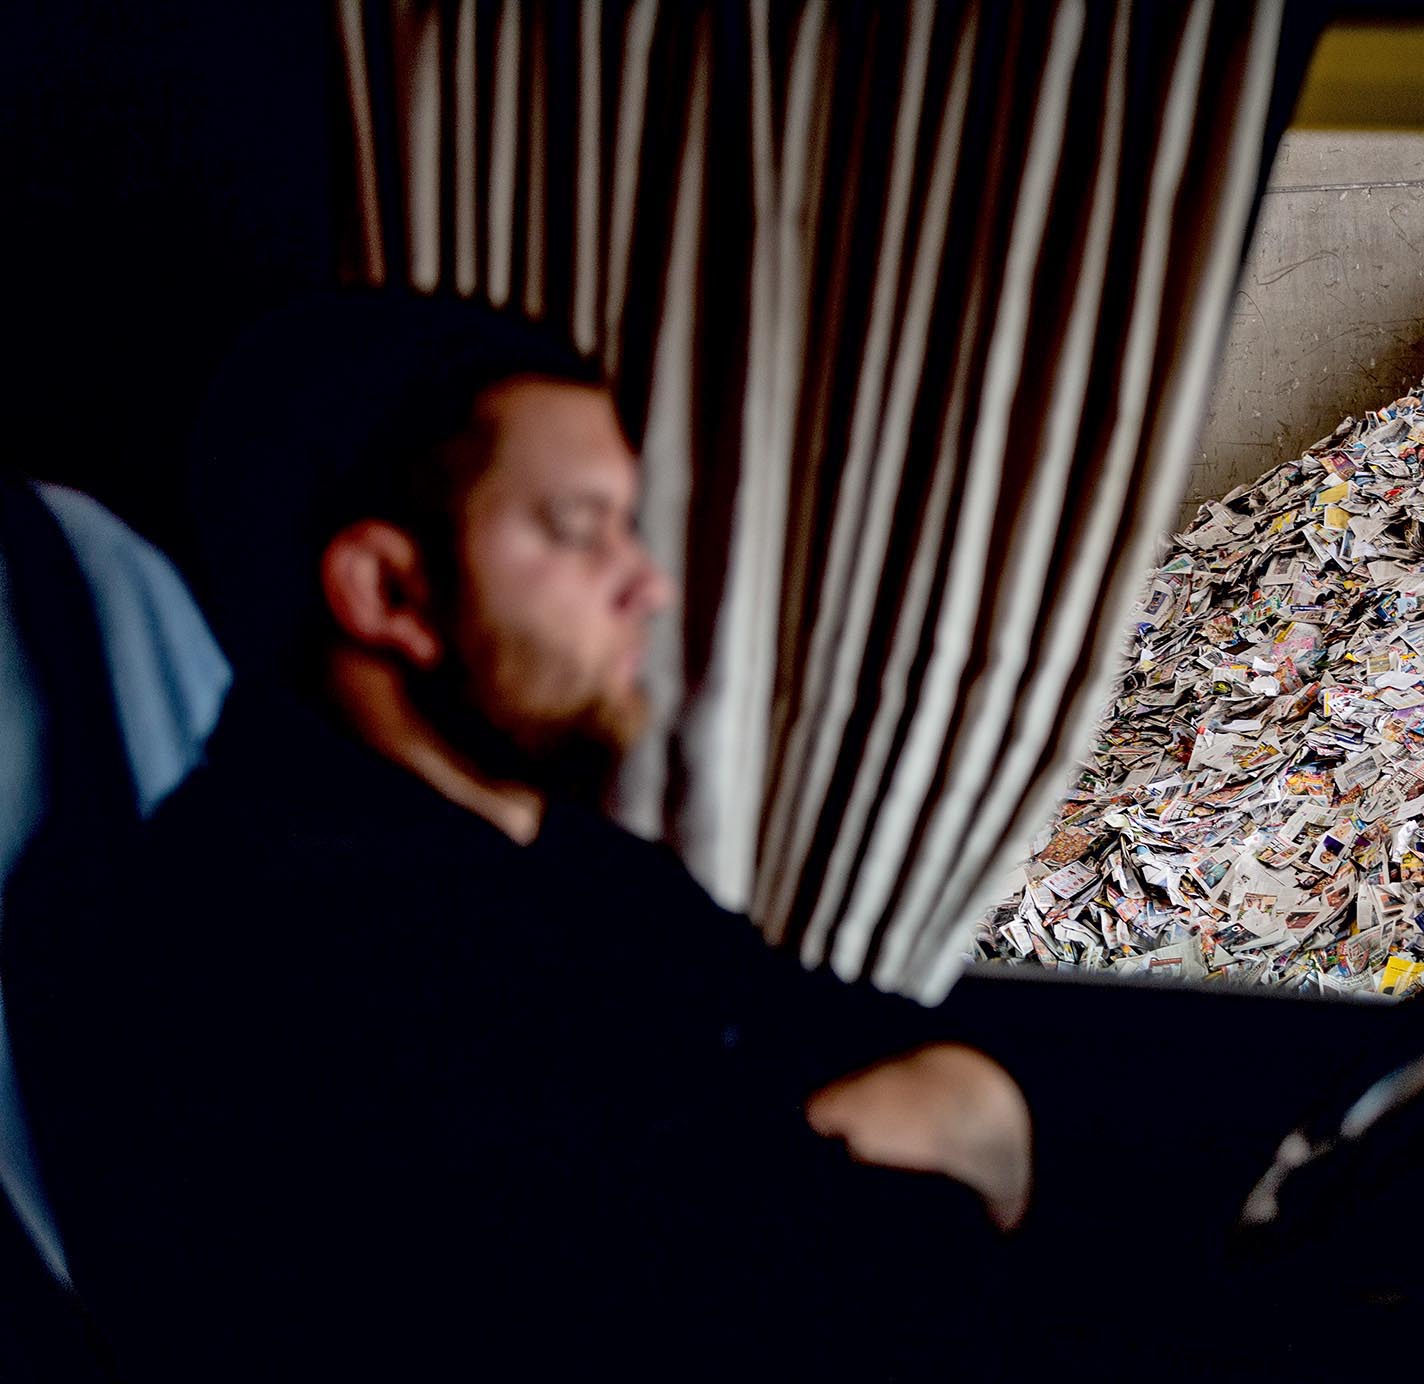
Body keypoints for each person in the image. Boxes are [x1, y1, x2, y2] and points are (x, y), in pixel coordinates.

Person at [1, 295, 1030, 1380]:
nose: (649, 584)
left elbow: (861, 1060)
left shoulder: (561, 850)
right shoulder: (254, 942)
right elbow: (811, 1290)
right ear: (387, 589)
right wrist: (900, 1135)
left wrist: (833, 1142)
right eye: (581, 529)